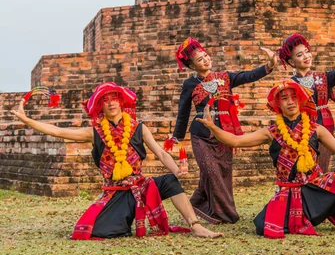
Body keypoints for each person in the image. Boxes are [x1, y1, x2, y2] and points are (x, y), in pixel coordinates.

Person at [196, 80, 335, 238]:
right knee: (263, 227)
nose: (290, 102)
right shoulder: (271, 132)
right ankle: (310, 216)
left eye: (293, 97)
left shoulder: (316, 128)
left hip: (317, 185)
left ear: (300, 101)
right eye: (284, 99)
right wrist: (213, 127)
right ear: (278, 105)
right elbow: (236, 141)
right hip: (289, 192)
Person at [11, 82, 223, 239]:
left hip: (141, 187)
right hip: (116, 193)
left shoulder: (139, 128)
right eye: (105, 100)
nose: (110, 102)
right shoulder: (93, 132)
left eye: (113, 98)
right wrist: (27, 120)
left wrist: (176, 170)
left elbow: (161, 153)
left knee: (170, 181)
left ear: (121, 101)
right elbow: (58, 131)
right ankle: (124, 218)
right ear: (100, 107)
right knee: (100, 231)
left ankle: (195, 226)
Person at [170, 37, 277, 224]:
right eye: (200, 59)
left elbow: (248, 75)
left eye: (205, 56)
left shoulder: (225, 77)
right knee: (211, 171)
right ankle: (225, 214)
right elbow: (183, 112)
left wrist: (269, 64)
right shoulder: (190, 84)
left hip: (225, 135)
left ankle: (194, 204)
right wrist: (176, 137)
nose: (205, 60)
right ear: (193, 66)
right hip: (201, 134)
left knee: (222, 173)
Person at [278, 32, 335, 231]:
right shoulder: (289, 85)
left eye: (307, 52)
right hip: (299, 133)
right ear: (291, 61)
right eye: (300, 55)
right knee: (302, 174)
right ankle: (301, 210)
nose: (306, 56)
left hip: (323, 129)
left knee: (320, 174)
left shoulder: (323, 78)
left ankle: (321, 210)